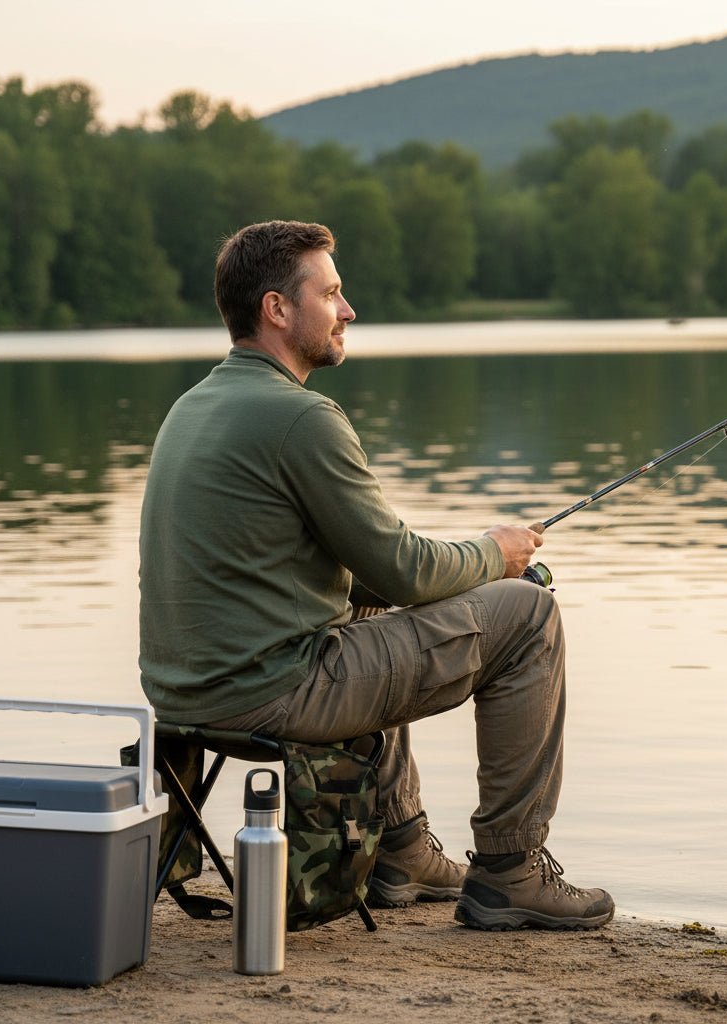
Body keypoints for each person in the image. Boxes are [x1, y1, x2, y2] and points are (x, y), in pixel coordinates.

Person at [138, 220, 613, 931]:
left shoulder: (194, 406)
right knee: (528, 616)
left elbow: (362, 577)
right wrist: (498, 553)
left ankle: (400, 851)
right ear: (277, 309)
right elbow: (405, 567)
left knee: (370, 612)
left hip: (184, 693)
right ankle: (510, 871)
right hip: (269, 695)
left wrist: (456, 580)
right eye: (330, 293)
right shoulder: (300, 418)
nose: (348, 309)